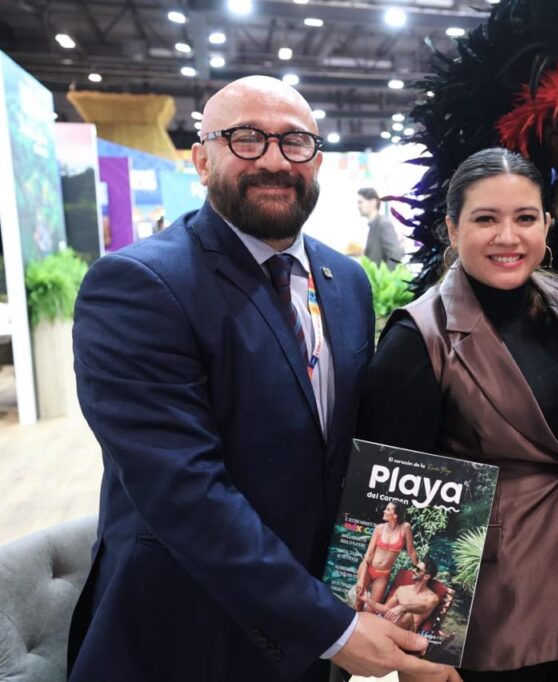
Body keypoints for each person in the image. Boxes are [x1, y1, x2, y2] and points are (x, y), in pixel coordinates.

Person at [68, 75, 452, 682]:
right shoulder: (139, 285)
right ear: (202, 160)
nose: (274, 160)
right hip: (186, 634)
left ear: (316, 161)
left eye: (295, 141)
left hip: (310, 632)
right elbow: (185, 492)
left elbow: (344, 452)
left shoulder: (346, 282)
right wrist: (332, 629)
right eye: (246, 138)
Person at [358, 147, 558, 681]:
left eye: (525, 218)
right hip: (492, 611)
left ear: (547, 225)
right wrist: (419, 655)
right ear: (453, 229)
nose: (508, 237)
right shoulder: (417, 340)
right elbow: (392, 502)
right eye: (486, 219)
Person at [355, 502, 418, 610]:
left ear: (396, 515)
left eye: (388, 509)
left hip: (383, 575)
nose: (384, 511)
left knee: (372, 609)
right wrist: (361, 579)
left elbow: (411, 552)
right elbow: (368, 555)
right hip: (368, 569)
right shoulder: (379, 528)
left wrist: (419, 569)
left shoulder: (405, 527)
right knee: (358, 603)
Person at [365, 559, 443, 633]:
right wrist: (366, 599)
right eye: (414, 567)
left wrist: (403, 608)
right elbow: (386, 609)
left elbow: (424, 607)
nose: (413, 570)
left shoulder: (432, 598)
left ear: (426, 576)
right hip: (391, 624)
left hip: (408, 632)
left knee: (408, 615)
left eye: (418, 569)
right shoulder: (402, 589)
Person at [358, 186, 404, 267]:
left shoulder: (384, 223)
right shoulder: (374, 224)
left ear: (373, 202)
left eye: (360, 202)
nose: (358, 206)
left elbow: (395, 254)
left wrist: (387, 275)